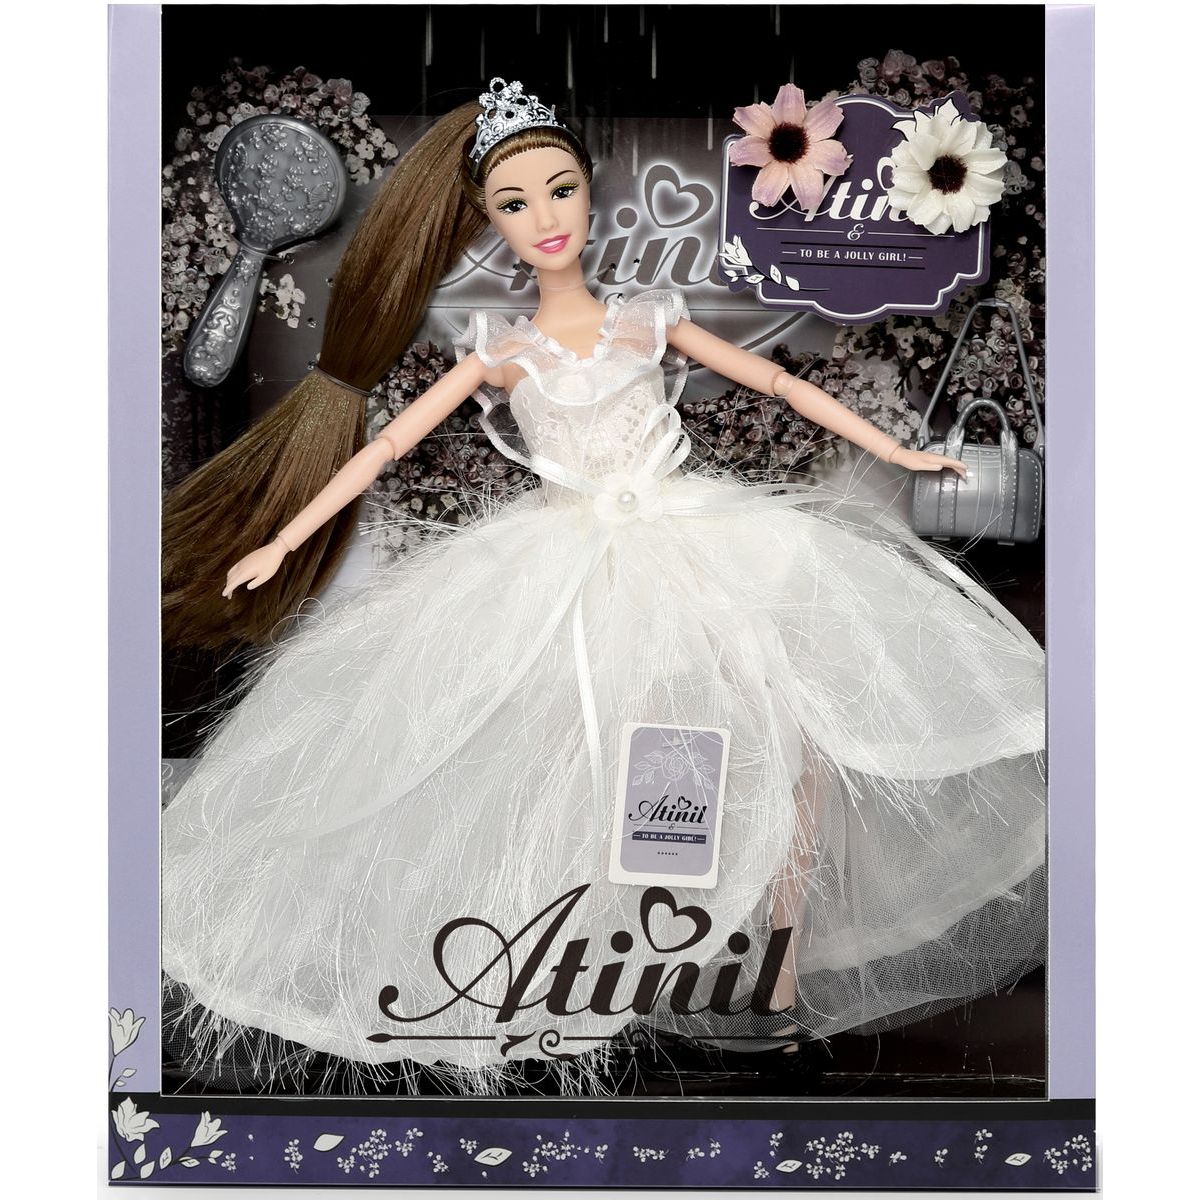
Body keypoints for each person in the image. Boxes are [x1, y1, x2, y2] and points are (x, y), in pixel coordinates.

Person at [160, 78, 1046, 1096]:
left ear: (590, 193)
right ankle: (614, 967)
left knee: (783, 733)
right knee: (583, 758)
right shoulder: (501, 354)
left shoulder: (645, 320)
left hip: (692, 541)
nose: (544, 217)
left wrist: (898, 450)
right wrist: (283, 539)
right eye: (515, 202)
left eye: (560, 190)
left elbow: (777, 382)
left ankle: (775, 968)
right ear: (489, 221)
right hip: (565, 564)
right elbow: (384, 447)